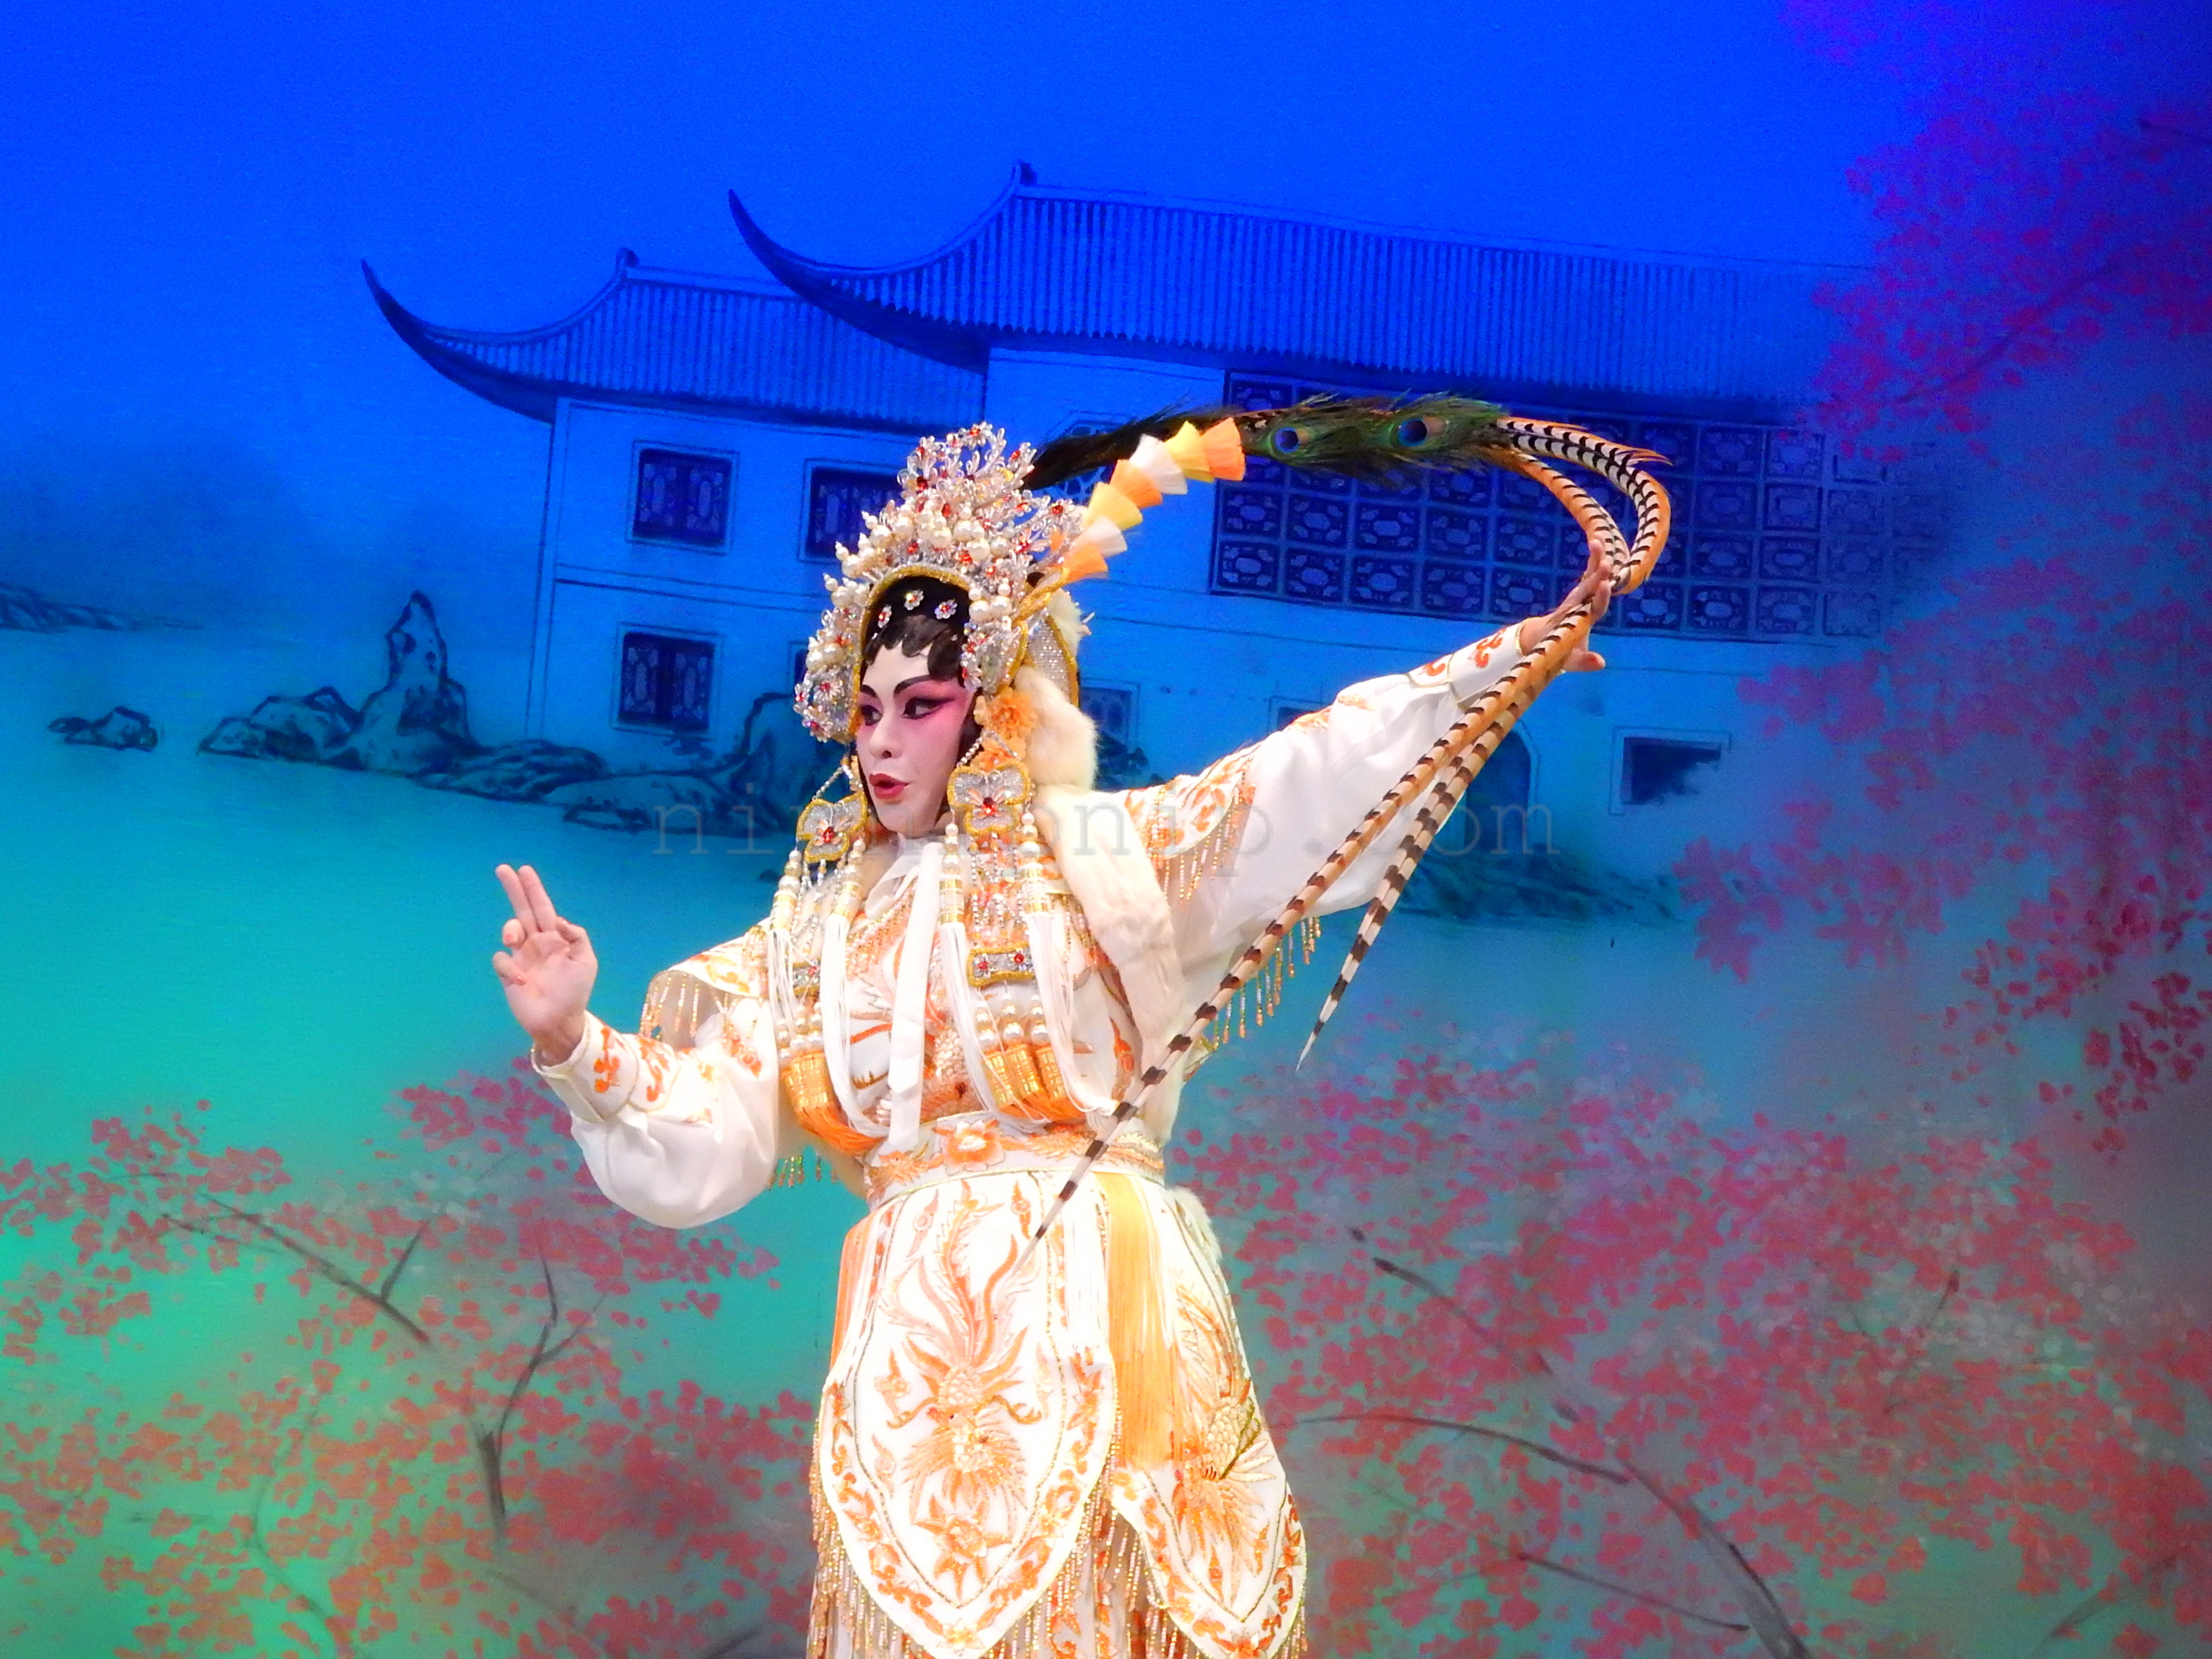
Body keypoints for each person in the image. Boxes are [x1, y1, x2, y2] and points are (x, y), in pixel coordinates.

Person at [493, 417, 1622, 1659]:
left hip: (1100, 1294)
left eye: (921, 705)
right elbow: (712, 1131)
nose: (882, 741)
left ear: (998, 710)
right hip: (913, 1353)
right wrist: (575, 1041)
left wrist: (1492, 672)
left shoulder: (1105, 861)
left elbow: (1299, 782)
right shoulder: (813, 929)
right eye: (866, 709)